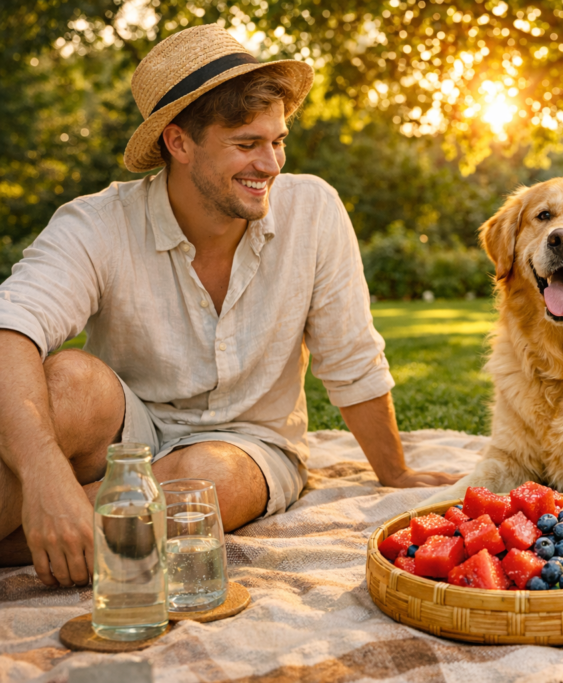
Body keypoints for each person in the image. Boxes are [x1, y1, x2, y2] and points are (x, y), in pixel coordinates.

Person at [0, 25, 461, 588]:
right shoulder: (96, 223)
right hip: (131, 424)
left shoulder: (313, 209)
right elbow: (10, 328)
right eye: (247, 144)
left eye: (278, 141)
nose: (270, 164)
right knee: (66, 380)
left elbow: (352, 356)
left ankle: (27, 542)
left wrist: (396, 472)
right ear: (179, 143)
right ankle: (58, 519)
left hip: (251, 445)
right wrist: (45, 473)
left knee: (203, 481)